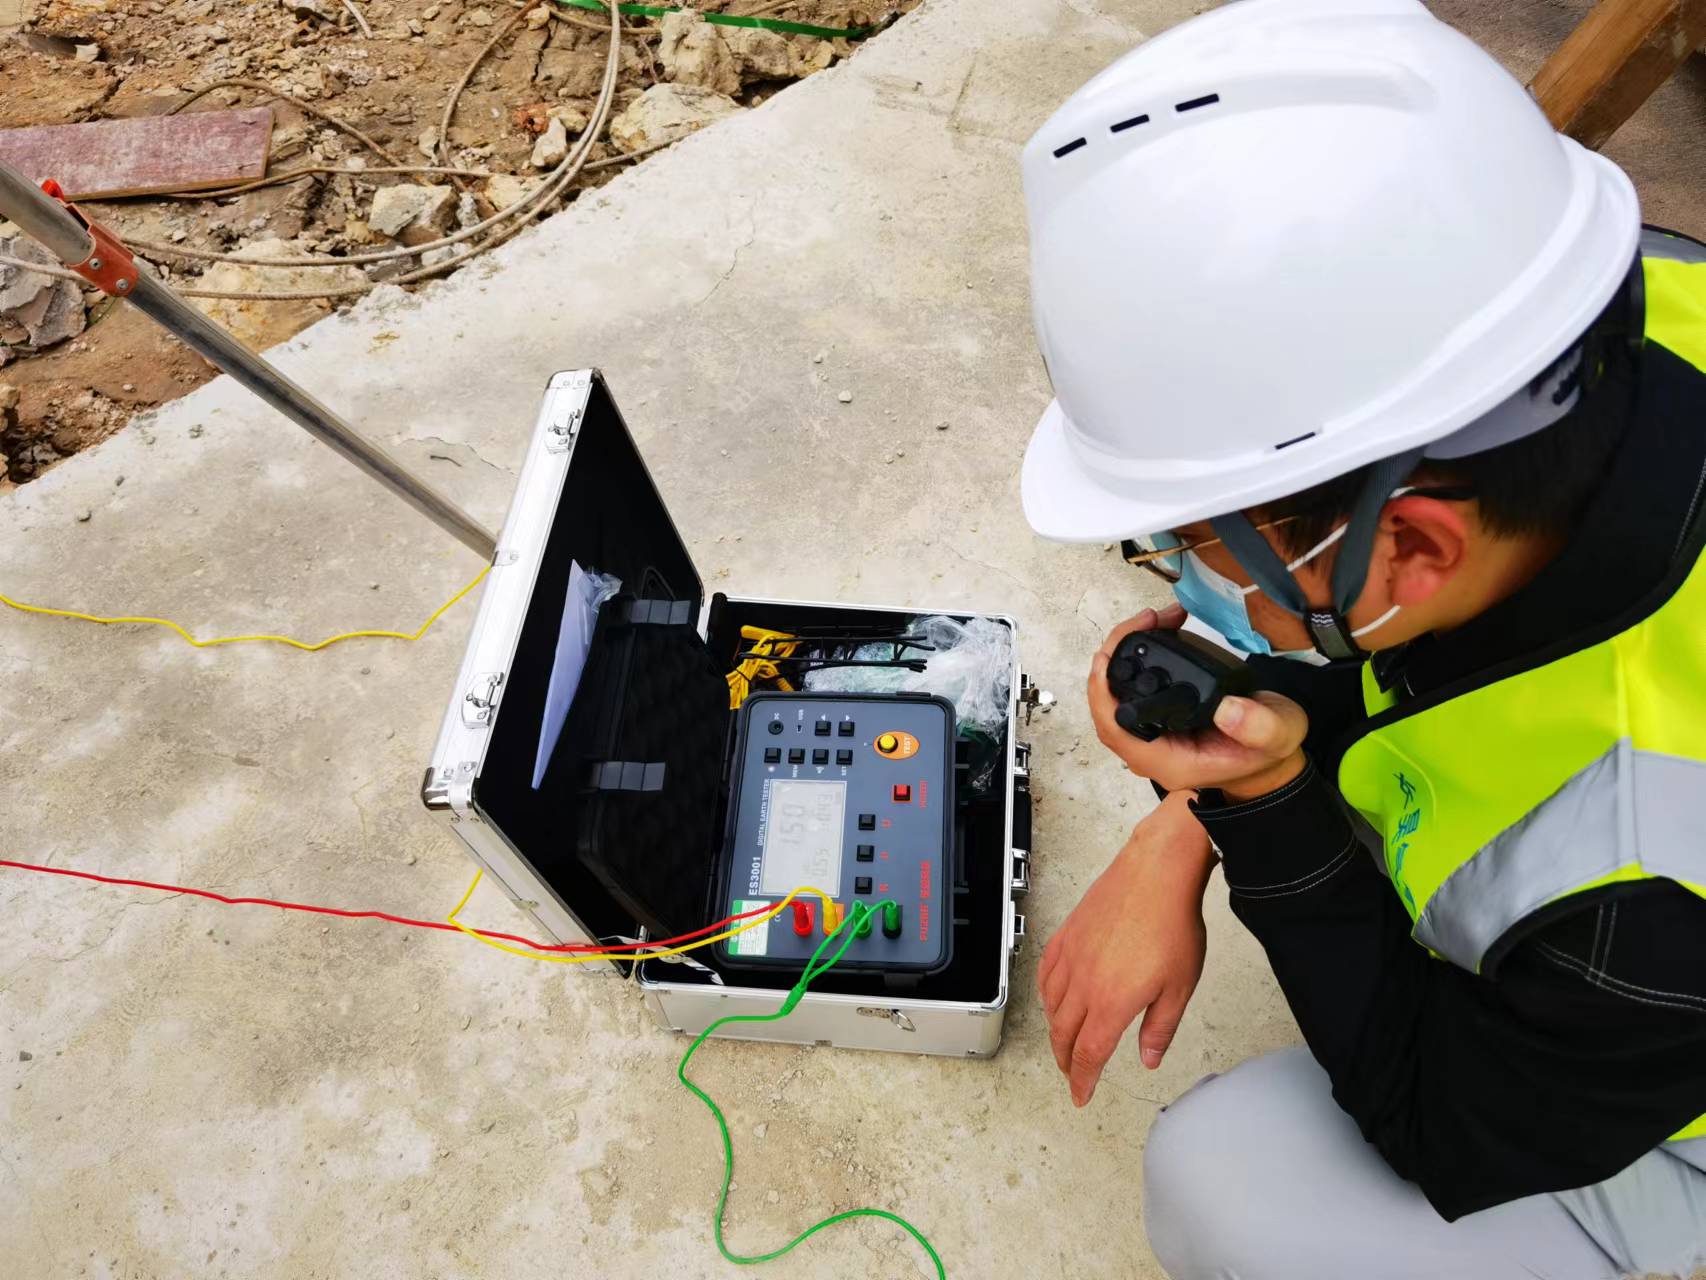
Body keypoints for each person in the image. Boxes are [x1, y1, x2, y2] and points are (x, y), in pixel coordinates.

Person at [1018, 2, 1706, 1276]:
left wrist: (1271, 814)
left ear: (1417, 544)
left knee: (1231, 1176)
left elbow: (1440, 1122)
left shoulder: (1647, 892)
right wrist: (1183, 820)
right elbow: (1394, 658)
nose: (1175, 574)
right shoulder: (1636, 314)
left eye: (1193, 543)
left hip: (1669, 1092)